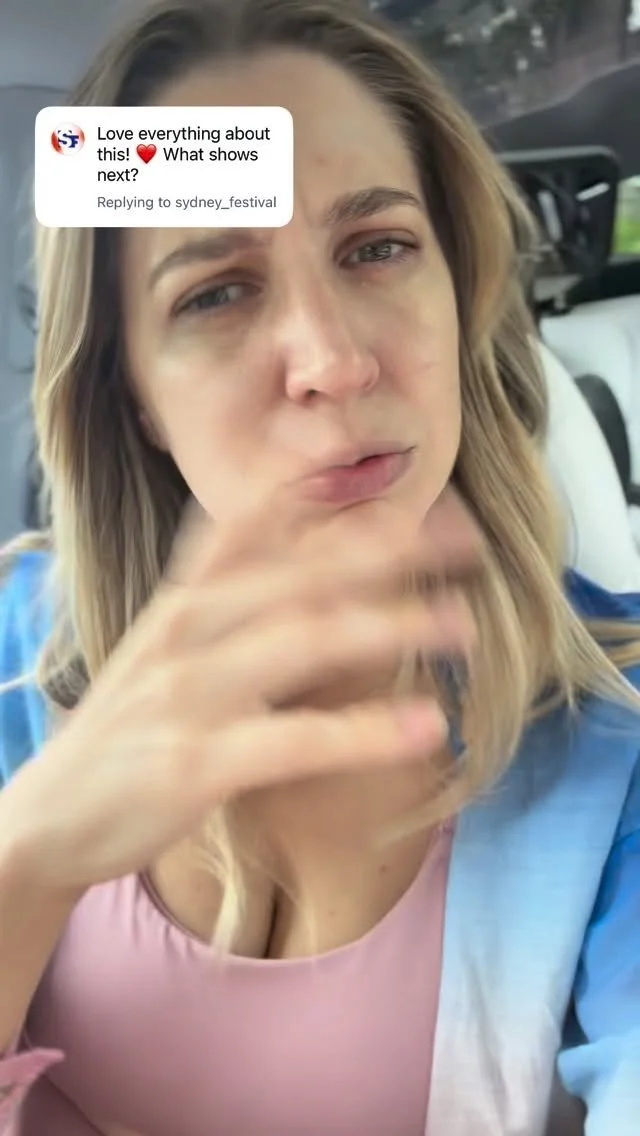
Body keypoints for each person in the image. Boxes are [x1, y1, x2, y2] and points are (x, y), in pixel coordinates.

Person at [0, 1, 638, 1133]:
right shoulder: (12, 654)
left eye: (377, 247)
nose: (336, 361)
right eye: (215, 290)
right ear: (132, 394)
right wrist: (28, 859)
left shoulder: (619, 731)